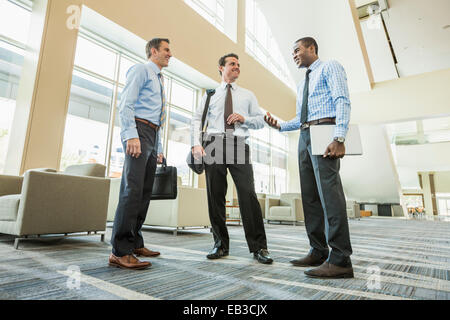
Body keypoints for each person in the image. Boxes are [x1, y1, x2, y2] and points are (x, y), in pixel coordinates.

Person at [265, 37, 354, 278]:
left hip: (325, 133)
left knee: (330, 196)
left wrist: (340, 137)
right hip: (305, 135)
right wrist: (280, 126)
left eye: (297, 50)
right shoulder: (302, 82)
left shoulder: (329, 67)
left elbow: (341, 100)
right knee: (310, 198)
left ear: (311, 48)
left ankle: (341, 259)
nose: (293, 55)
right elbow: (301, 117)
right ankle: (318, 250)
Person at [191, 53, 273, 264]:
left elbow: (260, 122)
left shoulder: (247, 95)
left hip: (237, 143)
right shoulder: (210, 95)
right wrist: (196, 144)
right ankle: (220, 244)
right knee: (215, 195)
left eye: (238, 64)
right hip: (214, 144)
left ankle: (259, 247)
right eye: (232, 64)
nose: (237, 67)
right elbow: (196, 121)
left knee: (247, 194)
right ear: (221, 68)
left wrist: (244, 118)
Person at [109, 38, 172, 270]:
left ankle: (134, 242)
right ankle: (120, 251)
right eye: (166, 50)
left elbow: (158, 118)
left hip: (152, 134)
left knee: (145, 192)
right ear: (153, 51)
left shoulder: (159, 79)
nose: (170, 54)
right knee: (132, 190)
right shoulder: (141, 70)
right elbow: (126, 103)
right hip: (139, 129)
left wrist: (159, 148)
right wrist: (131, 135)